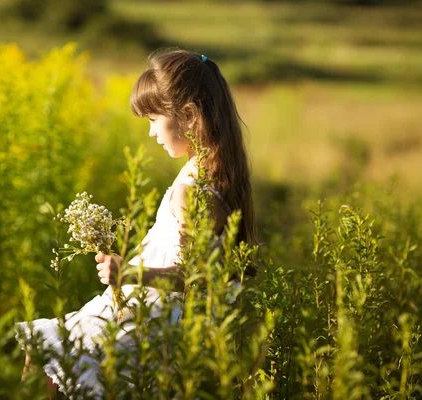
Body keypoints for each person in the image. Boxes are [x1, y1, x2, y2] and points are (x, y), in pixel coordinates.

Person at [14, 48, 256, 398]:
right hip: (151, 313)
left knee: (49, 352)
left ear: (188, 116)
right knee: (47, 352)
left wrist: (128, 274)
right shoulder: (216, 177)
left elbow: (193, 278)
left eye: (153, 120)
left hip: (151, 322)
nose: (151, 134)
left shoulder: (193, 191)